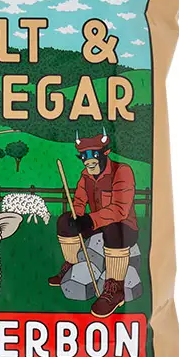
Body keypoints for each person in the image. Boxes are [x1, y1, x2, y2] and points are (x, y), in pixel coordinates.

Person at [49, 129, 139, 318]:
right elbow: (79, 202)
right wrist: (77, 217)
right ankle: (72, 265)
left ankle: (115, 288)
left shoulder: (122, 172)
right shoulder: (85, 176)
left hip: (124, 227)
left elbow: (120, 209)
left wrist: (90, 220)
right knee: (65, 221)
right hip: (96, 226)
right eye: (84, 156)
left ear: (105, 153)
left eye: (93, 155)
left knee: (114, 230)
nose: (88, 161)